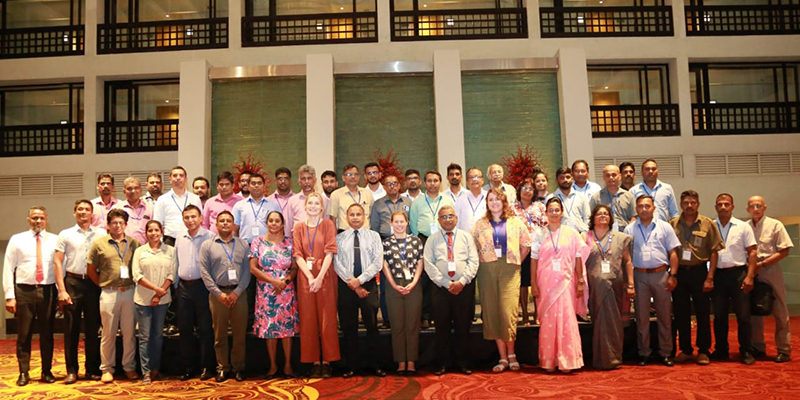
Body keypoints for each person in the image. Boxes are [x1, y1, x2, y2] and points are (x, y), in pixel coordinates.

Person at [472, 188, 532, 372]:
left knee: (508, 311)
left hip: (510, 270)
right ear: (487, 203)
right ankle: (503, 357)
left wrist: (516, 263)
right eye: (491, 199)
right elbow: (472, 247)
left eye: (498, 199)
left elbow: (526, 245)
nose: (494, 202)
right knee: (492, 312)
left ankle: (512, 354)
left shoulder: (516, 222)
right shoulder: (479, 224)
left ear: (504, 201)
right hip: (487, 270)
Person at [3, 206, 59, 386]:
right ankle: (24, 372)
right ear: (28, 220)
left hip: (48, 290)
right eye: (34, 218)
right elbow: (8, 268)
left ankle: (46, 371)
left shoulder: (55, 240)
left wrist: (60, 293)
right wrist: (10, 295)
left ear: (46, 220)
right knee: (24, 334)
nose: (38, 221)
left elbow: (60, 268)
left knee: (47, 334)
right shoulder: (16, 239)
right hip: (24, 291)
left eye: (41, 218)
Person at [531, 197, 588, 372]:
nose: (554, 213)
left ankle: (568, 361)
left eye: (557, 210)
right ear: (546, 212)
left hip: (566, 282)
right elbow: (534, 260)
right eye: (551, 210)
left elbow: (578, 258)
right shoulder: (539, 233)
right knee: (548, 320)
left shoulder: (571, 233)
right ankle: (548, 361)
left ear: (562, 212)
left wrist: (580, 281)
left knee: (567, 320)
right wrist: (533, 282)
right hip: (545, 282)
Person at [623, 195, 681, 367]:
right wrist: (630, 282)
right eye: (640, 206)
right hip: (639, 275)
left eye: (647, 206)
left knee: (664, 316)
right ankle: (644, 353)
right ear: (636, 209)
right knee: (642, 317)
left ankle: (665, 352)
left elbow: (673, 253)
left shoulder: (665, 227)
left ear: (654, 208)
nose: (644, 209)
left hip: (661, 274)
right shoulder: (629, 229)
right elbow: (626, 258)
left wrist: (673, 275)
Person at [54, 200, 106, 384]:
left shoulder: (101, 234)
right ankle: (71, 370)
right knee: (71, 329)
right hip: (72, 282)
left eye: (87, 210)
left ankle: (91, 369)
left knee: (93, 329)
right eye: (80, 209)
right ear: (74, 213)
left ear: (92, 214)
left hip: (93, 283)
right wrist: (61, 289)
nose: (83, 212)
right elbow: (57, 262)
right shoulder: (65, 234)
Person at [670, 190, 724, 365]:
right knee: (681, 314)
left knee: (702, 313)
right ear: (681, 204)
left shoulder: (707, 224)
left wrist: (710, 277)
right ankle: (685, 350)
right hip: (679, 273)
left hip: (700, 272)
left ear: (698, 204)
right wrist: (672, 274)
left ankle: (703, 350)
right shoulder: (672, 224)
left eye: (693, 202)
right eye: (686, 202)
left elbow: (714, 252)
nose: (689, 205)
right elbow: (669, 251)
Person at [424, 206, 479, 375]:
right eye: (444, 217)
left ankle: (463, 362)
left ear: (456, 218)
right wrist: (447, 283)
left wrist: (462, 282)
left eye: (450, 216)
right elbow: (428, 264)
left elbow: (474, 261)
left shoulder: (466, 237)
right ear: (438, 220)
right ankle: (443, 363)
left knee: (463, 326)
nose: (447, 219)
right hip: (441, 289)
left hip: (464, 288)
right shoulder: (432, 239)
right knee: (442, 327)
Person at [87, 209, 140, 383]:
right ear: (108, 225)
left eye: (121, 223)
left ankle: (129, 367)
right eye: (114, 223)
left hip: (130, 292)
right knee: (108, 333)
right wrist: (104, 285)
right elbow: (91, 270)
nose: (118, 226)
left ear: (126, 225)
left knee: (129, 333)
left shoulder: (134, 244)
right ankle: (107, 369)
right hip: (108, 293)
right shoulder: (99, 244)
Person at [199, 210, 251, 382]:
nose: (225, 223)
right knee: (219, 334)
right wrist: (218, 293)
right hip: (217, 295)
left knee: (239, 333)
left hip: (239, 293)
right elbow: (205, 273)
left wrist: (237, 292)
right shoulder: (207, 245)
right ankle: (222, 367)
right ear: (216, 223)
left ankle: (238, 367)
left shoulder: (243, 244)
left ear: (233, 223)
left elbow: (247, 272)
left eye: (228, 220)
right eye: (222, 221)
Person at [335, 204, 386, 378]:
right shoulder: (339, 238)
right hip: (346, 286)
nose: (355, 217)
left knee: (372, 327)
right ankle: (352, 366)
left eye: (358, 214)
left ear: (364, 216)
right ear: (346, 217)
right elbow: (337, 264)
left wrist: (360, 281)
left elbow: (377, 263)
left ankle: (375, 365)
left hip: (369, 285)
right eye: (352, 214)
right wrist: (354, 284)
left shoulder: (374, 236)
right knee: (349, 328)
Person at [292, 193, 340, 378]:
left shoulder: (328, 225)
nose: (313, 206)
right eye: (309, 203)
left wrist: (319, 277)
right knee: (308, 320)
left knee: (327, 320)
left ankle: (327, 361)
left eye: (316, 203)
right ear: (305, 207)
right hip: (305, 279)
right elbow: (297, 255)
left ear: (322, 207)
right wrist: (310, 278)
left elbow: (330, 252)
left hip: (325, 276)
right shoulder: (298, 227)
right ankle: (314, 361)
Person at [583, 204, 634, 370]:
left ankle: (613, 359)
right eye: (599, 213)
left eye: (606, 213)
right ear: (593, 218)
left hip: (615, 286)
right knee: (599, 322)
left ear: (611, 218)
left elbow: (627, 261)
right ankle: (600, 359)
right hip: (595, 288)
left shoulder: (619, 237)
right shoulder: (585, 237)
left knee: (613, 322)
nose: (603, 216)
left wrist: (631, 283)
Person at [250, 211, 299, 379]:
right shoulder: (258, 242)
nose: (273, 223)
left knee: (286, 329)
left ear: (282, 224)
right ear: (266, 223)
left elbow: (294, 267)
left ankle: (287, 365)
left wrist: (285, 281)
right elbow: (253, 268)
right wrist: (273, 281)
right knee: (270, 328)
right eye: (270, 220)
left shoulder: (290, 242)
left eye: (277, 221)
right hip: (266, 290)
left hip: (285, 290)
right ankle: (272, 365)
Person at [747, 195, 794, 363]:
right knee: (754, 310)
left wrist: (764, 263)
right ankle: (757, 346)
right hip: (751, 271)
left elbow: (785, 250)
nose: (756, 209)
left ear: (765, 207)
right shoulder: (744, 227)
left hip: (771, 269)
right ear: (747, 209)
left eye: (759, 205)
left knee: (780, 310)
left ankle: (784, 349)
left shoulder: (775, 225)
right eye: (752, 206)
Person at [712, 193, 757, 365]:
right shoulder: (710, 226)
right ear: (716, 207)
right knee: (719, 316)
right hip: (718, 275)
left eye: (726, 204)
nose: (723, 207)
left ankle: (746, 350)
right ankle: (721, 350)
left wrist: (750, 276)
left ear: (732, 206)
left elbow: (752, 252)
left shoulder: (743, 227)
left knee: (743, 316)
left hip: (738, 274)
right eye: (720, 204)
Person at [174, 205, 216, 381]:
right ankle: (188, 367)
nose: (190, 220)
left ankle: (207, 366)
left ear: (200, 218)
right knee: (185, 329)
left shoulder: (210, 237)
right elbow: (176, 262)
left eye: (193, 217)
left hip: (203, 287)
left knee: (206, 328)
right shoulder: (179, 238)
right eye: (186, 217)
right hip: (183, 288)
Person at [131, 220, 176, 384]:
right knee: (144, 336)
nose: (153, 233)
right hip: (143, 300)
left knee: (157, 336)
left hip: (162, 300)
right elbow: (137, 275)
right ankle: (146, 372)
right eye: (150, 230)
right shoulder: (139, 251)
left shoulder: (170, 250)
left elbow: (172, 274)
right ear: (146, 233)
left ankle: (156, 369)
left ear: (161, 232)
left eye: (156, 230)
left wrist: (159, 293)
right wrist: (156, 290)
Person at [410, 170, 455, 328]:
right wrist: (418, 239)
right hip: (424, 239)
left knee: (442, 273)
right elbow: (413, 223)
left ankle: (440, 314)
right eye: (429, 181)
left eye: (436, 180)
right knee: (425, 278)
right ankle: (425, 315)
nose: (433, 183)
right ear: (425, 182)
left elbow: (453, 219)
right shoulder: (417, 202)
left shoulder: (448, 199)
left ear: (440, 182)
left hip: (443, 238)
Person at [382, 211, 424, 375]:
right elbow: (384, 265)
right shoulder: (386, 243)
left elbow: (420, 262)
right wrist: (393, 284)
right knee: (397, 325)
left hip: (413, 285)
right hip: (393, 285)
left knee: (412, 325)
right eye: (396, 222)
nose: (399, 224)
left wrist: (413, 282)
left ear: (407, 223)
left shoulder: (416, 241)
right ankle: (400, 362)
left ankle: (411, 361)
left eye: (402, 221)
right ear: (391, 224)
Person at [370, 173, 413, 329]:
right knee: (387, 283)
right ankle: (387, 318)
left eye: (395, 183)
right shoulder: (378, 204)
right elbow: (374, 228)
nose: (392, 186)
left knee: (407, 280)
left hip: (406, 245)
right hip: (386, 245)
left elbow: (412, 225)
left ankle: (407, 315)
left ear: (399, 185)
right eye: (388, 184)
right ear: (384, 186)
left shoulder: (408, 202)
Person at [513, 178, 547, 326]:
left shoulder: (540, 206)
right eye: (524, 188)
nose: (527, 191)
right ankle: (525, 314)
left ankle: (538, 314)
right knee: (522, 283)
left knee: (537, 281)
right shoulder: (512, 208)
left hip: (538, 249)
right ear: (519, 191)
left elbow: (546, 226)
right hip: (521, 249)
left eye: (530, 189)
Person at [153, 166, 203, 246]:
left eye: (181, 175)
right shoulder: (162, 199)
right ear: (170, 180)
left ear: (186, 179)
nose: (178, 178)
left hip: (192, 240)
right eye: (175, 175)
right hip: (170, 240)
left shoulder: (195, 198)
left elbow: (200, 221)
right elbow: (157, 223)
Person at [232, 173, 281, 244]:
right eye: (253, 183)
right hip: (245, 246)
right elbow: (234, 229)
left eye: (259, 183)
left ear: (264, 186)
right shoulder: (239, 205)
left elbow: (280, 228)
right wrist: (236, 246)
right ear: (248, 186)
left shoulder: (273, 205)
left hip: (268, 246)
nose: (256, 186)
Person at [285, 165, 329, 236]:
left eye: (309, 178)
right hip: (297, 240)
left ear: (315, 180)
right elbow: (288, 226)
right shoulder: (292, 200)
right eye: (303, 179)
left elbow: (327, 222)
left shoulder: (323, 200)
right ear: (299, 182)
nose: (306, 182)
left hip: (318, 239)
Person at [328, 164, 375, 232]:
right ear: (343, 178)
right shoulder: (336, 195)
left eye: (355, 174)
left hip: (365, 234)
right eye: (349, 175)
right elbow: (332, 220)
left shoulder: (367, 193)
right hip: (344, 234)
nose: (353, 177)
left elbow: (372, 217)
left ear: (359, 177)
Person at [589, 165, 636, 232]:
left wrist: (628, 231)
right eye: (608, 175)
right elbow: (591, 218)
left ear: (619, 176)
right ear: (603, 177)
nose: (611, 178)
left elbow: (634, 217)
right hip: (603, 233)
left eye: (614, 175)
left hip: (624, 233)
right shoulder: (596, 197)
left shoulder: (629, 196)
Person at [113, 176, 153, 245]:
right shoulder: (117, 209)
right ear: (124, 191)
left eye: (136, 188)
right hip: (122, 248)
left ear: (141, 190)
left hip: (144, 249)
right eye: (129, 189)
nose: (133, 191)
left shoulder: (150, 208)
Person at [553, 167, 591, 233]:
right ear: (556, 181)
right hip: (560, 236)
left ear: (572, 179)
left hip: (580, 235)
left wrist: (584, 234)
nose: (565, 180)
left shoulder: (581, 197)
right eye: (562, 178)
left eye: (568, 177)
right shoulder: (551, 198)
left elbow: (587, 218)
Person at [456, 167, 487, 233]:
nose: (474, 180)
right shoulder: (460, 199)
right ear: (467, 181)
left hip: (485, 238)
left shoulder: (489, 198)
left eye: (477, 177)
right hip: (466, 239)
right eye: (471, 178)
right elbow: (457, 222)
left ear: (482, 180)